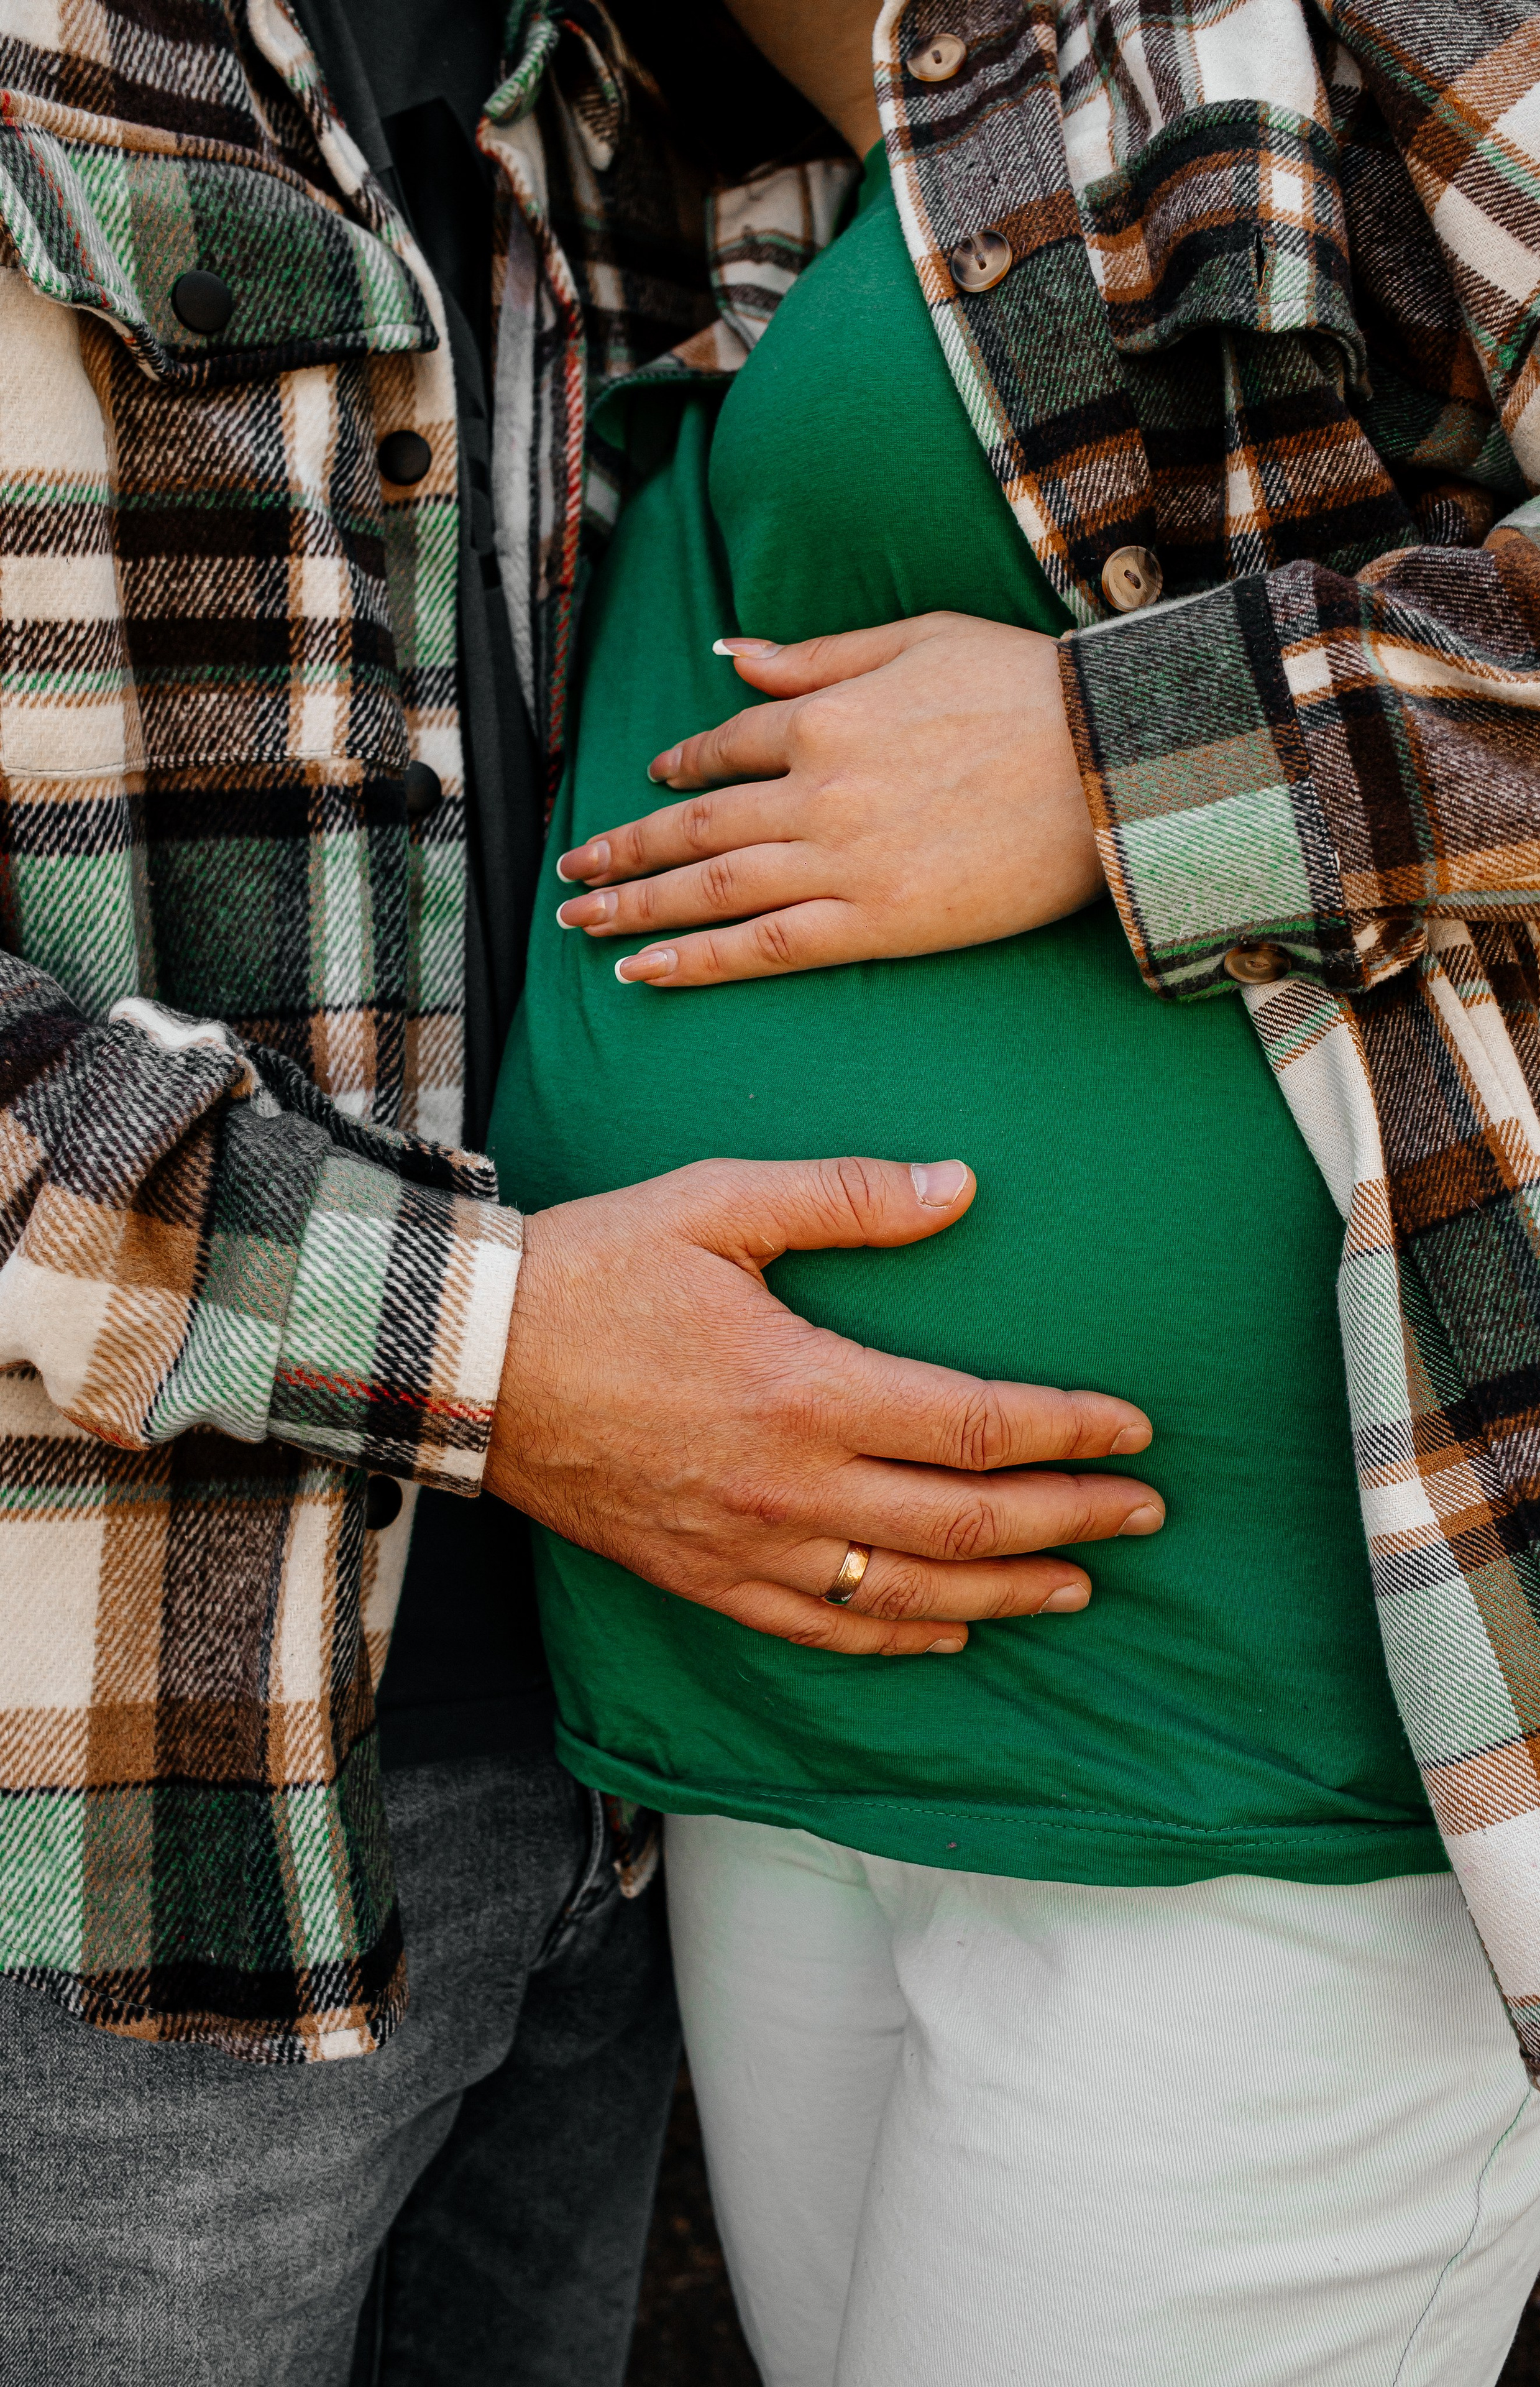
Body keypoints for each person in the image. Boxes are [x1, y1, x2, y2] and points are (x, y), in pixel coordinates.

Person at [0, 4, 1164, 2380]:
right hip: (102, 1818)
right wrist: (488, 1344)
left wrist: (1135, 752)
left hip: (638, 1766)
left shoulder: (651, 85)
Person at [488, 1, 1540, 2382]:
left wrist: (1128, 757)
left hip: (1271, 1741)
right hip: (782, 1722)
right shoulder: (645, 178)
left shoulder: (1324, 30)